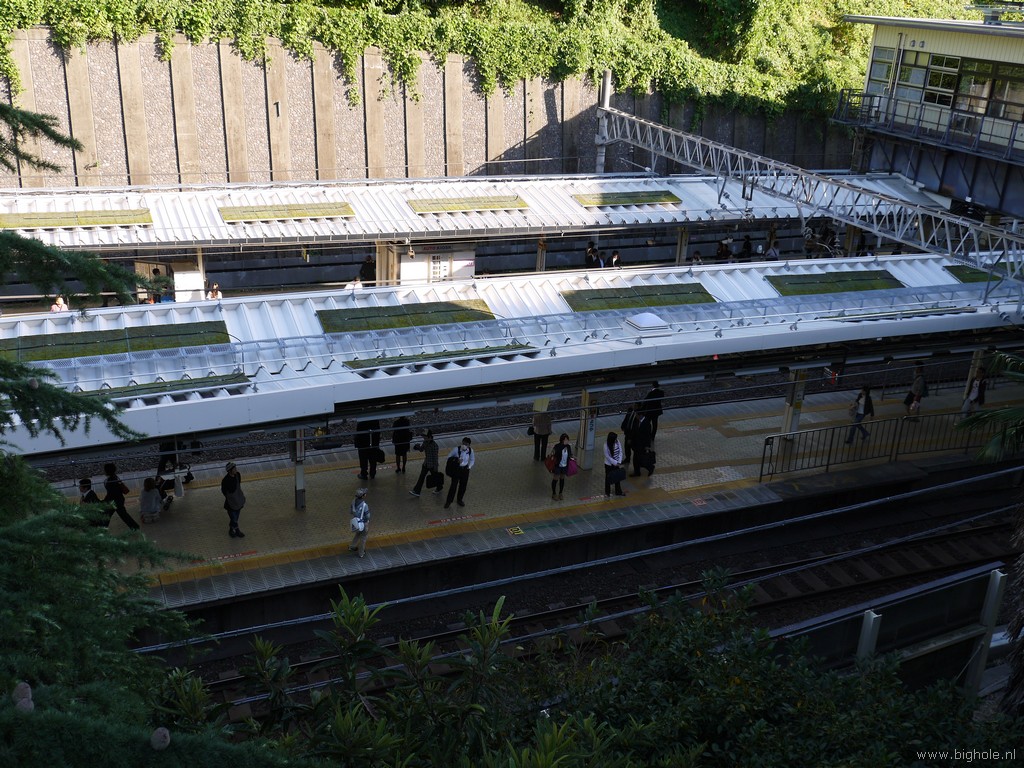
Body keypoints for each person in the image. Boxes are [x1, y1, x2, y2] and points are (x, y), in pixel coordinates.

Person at [102, 462, 140, 531]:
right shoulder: (115, 477)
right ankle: (135, 527)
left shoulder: (109, 481)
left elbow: (110, 494)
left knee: (107, 515)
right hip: (119, 500)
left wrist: (104, 501)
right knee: (123, 515)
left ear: (106, 471)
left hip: (114, 502)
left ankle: (102, 529)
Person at [444, 437, 475, 509]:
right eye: (463, 443)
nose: (464, 445)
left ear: (469, 445)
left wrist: (469, 466)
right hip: (457, 469)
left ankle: (459, 500)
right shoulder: (456, 449)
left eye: (466, 444)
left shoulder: (471, 451)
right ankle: (449, 501)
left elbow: (472, 459)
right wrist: (456, 460)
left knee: (463, 486)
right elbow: (448, 457)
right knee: (453, 486)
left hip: (465, 470)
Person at [409, 431, 441, 497]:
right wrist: (417, 447)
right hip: (426, 463)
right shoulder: (425, 442)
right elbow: (421, 449)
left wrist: (435, 467)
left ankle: (439, 487)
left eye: (424, 437)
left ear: (429, 437)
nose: (423, 438)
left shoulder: (434, 446)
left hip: (432, 465)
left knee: (435, 477)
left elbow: (435, 458)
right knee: (422, 476)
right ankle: (417, 491)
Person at [220, 462, 246, 538]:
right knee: (234, 519)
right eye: (234, 469)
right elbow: (224, 491)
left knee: (235, 518)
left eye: (235, 468)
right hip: (231, 504)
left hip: (238, 501)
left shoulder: (238, 475)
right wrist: (230, 497)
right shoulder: (225, 480)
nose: (235, 470)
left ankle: (231, 530)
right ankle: (237, 531)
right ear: (229, 471)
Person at [549, 433, 573, 501]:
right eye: (566, 440)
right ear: (562, 440)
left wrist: (573, 457)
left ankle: (560, 493)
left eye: (567, 439)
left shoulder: (568, 446)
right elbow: (552, 453)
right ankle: (554, 493)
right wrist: (551, 455)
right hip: (558, 465)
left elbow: (570, 454)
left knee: (562, 479)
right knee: (555, 479)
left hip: (564, 465)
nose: (567, 441)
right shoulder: (557, 446)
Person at [348, 488, 371, 558]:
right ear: (363, 496)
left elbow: (350, 511)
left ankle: (352, 546)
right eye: (365, 493)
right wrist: (366, 520)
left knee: (358, 533)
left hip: (356, 522)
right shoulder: (364, 505)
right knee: (363, 538)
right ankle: (361, 553)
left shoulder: (353, 502)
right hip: (363, 523)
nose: (366, 494)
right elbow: (368, 516)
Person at [630, 413, 653, 477]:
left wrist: (647, 446)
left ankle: (650, 468)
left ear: (641, 415)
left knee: (641, 459)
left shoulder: (647, 423)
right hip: (636, 444)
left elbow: (648, 435)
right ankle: (637, 472)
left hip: (642, 445)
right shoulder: (637, 421)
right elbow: (633, 431)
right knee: (636, 459)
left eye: (636, 415)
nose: (635, 416)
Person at [603, 432, 626, 497]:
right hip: (609, 465)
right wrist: (615, 463)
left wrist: (619, 461)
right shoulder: (606, 445)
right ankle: (607, 492)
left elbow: (620, 451)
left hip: (617, 464)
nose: (616, 440)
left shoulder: (617, 442)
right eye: (615, 439)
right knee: (608, 478)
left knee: (617, 477)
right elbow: (607, 456)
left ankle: (618, 492)